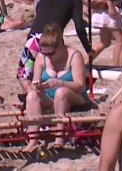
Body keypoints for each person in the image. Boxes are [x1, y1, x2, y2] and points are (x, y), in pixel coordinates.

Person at [17, 0, 91, 92]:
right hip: (53, 39)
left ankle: (30, 95)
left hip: (33, 38)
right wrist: (88, 49)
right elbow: (80, 27)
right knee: (56, 71)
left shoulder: (43, 0)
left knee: (24, 74)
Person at [24, 24, 89, 152]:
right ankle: (33, 139)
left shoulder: (74, 56)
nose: (48, 56)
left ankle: (60, 137)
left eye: (51, 53)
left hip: (74, 97)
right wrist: (37, 86)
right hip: (50, 99)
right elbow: (34, 83)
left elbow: (80, 86)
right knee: (31, 95)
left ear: (60, 46)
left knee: (61, 92)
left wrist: (60, 83)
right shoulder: (41, 58)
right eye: (45, 53)